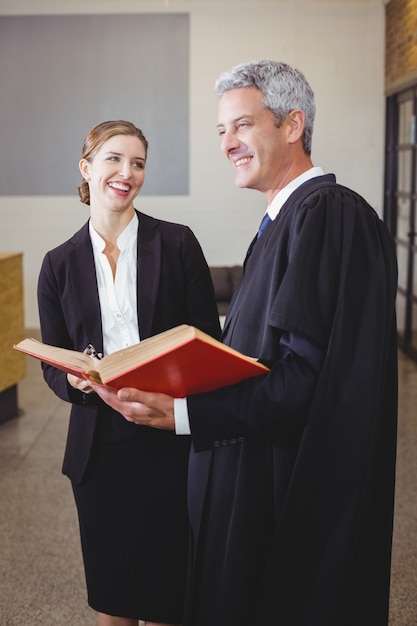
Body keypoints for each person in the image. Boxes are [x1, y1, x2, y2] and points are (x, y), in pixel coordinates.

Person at [91, 62, 398, 626]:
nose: (228, 143)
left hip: (289, 501)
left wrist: (183, 411)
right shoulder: (282, 222)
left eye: (242, 125)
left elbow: (303, 378)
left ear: (292, 125)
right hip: (255, 477)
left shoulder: (327, 214)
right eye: (221, 132)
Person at [37, 120, 221, 626]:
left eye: (137, 162)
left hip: (167, 442)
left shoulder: (179, 243)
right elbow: (54, 363)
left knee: (167, 598)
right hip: (99, 453)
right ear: (87, 168)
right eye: (114, 159)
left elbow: (207, 340)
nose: (126, 172)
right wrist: (72, 379)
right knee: (113, 600)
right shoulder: (57, 264)